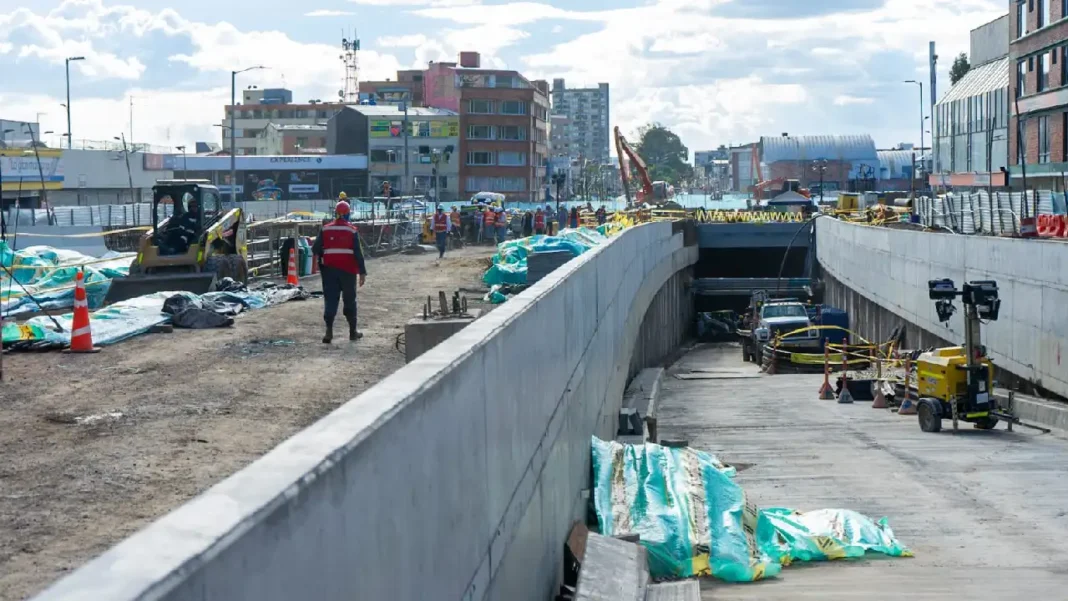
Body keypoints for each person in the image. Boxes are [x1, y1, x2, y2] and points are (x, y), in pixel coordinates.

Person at [312, 200, 368, 344]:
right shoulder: (352, 230)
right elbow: (358, 253)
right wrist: (362, 272)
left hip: (329, 271)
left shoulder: (325, 229)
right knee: (349, 300)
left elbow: (315, 249)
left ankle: (329, 331)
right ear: (348, 214)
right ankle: (352, 332)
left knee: (330, 300)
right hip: (348, 271)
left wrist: (325, 257)